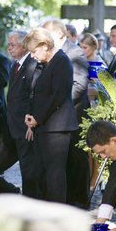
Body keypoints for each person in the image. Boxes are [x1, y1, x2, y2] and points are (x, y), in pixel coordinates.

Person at [24, 27, 78, 203]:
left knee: (55, 173)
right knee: (44, 171)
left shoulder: (62, 61)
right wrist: (32, 116)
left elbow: (58, 95)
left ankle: (57, 212)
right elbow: (38, 94)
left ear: (45, 45)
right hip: (45, 125)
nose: (32, 56)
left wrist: (37, 117)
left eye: (34, 51)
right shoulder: (46, 64)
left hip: (58, 126)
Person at [42, 20, 90, 207]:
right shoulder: (49, 53)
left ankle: (80, 199)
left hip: (74, 113)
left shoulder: (75, 52)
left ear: (60, 35)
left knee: (76, 158)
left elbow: (79, 86)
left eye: (47, 34)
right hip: (54, 115)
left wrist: (55, 103)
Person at [6, 30, 39, 198]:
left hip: (26, 125)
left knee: (29, 167)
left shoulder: (32, 64)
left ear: (25, 46)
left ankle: (31, 200)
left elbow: (33, 95)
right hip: (15, 124)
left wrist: (31, 123)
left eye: (13, 45)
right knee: (24, 166)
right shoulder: (15, 64)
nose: (9, 48)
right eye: (9, 44)